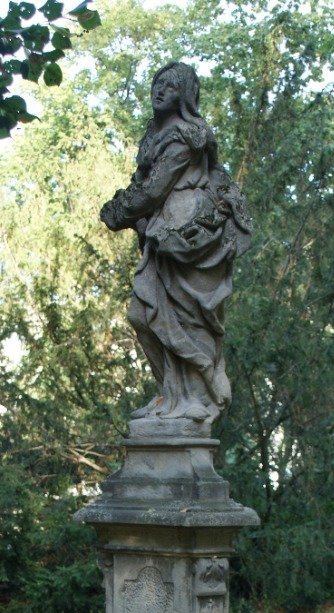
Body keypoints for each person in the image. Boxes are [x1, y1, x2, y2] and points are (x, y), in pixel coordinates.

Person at [100, 61, 251, 428]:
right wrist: (132, 213)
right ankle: (171, 394)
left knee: (184, 316)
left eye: (169, 84)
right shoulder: (154, 132)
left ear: (184, 93)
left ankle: (194, 397)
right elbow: (145, 183)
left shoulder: (187, 135)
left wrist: (119, 211)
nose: (160, 89)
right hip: (160, 233)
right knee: (142, 315)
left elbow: (154, 189)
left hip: (185, 239)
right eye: (157, 82)